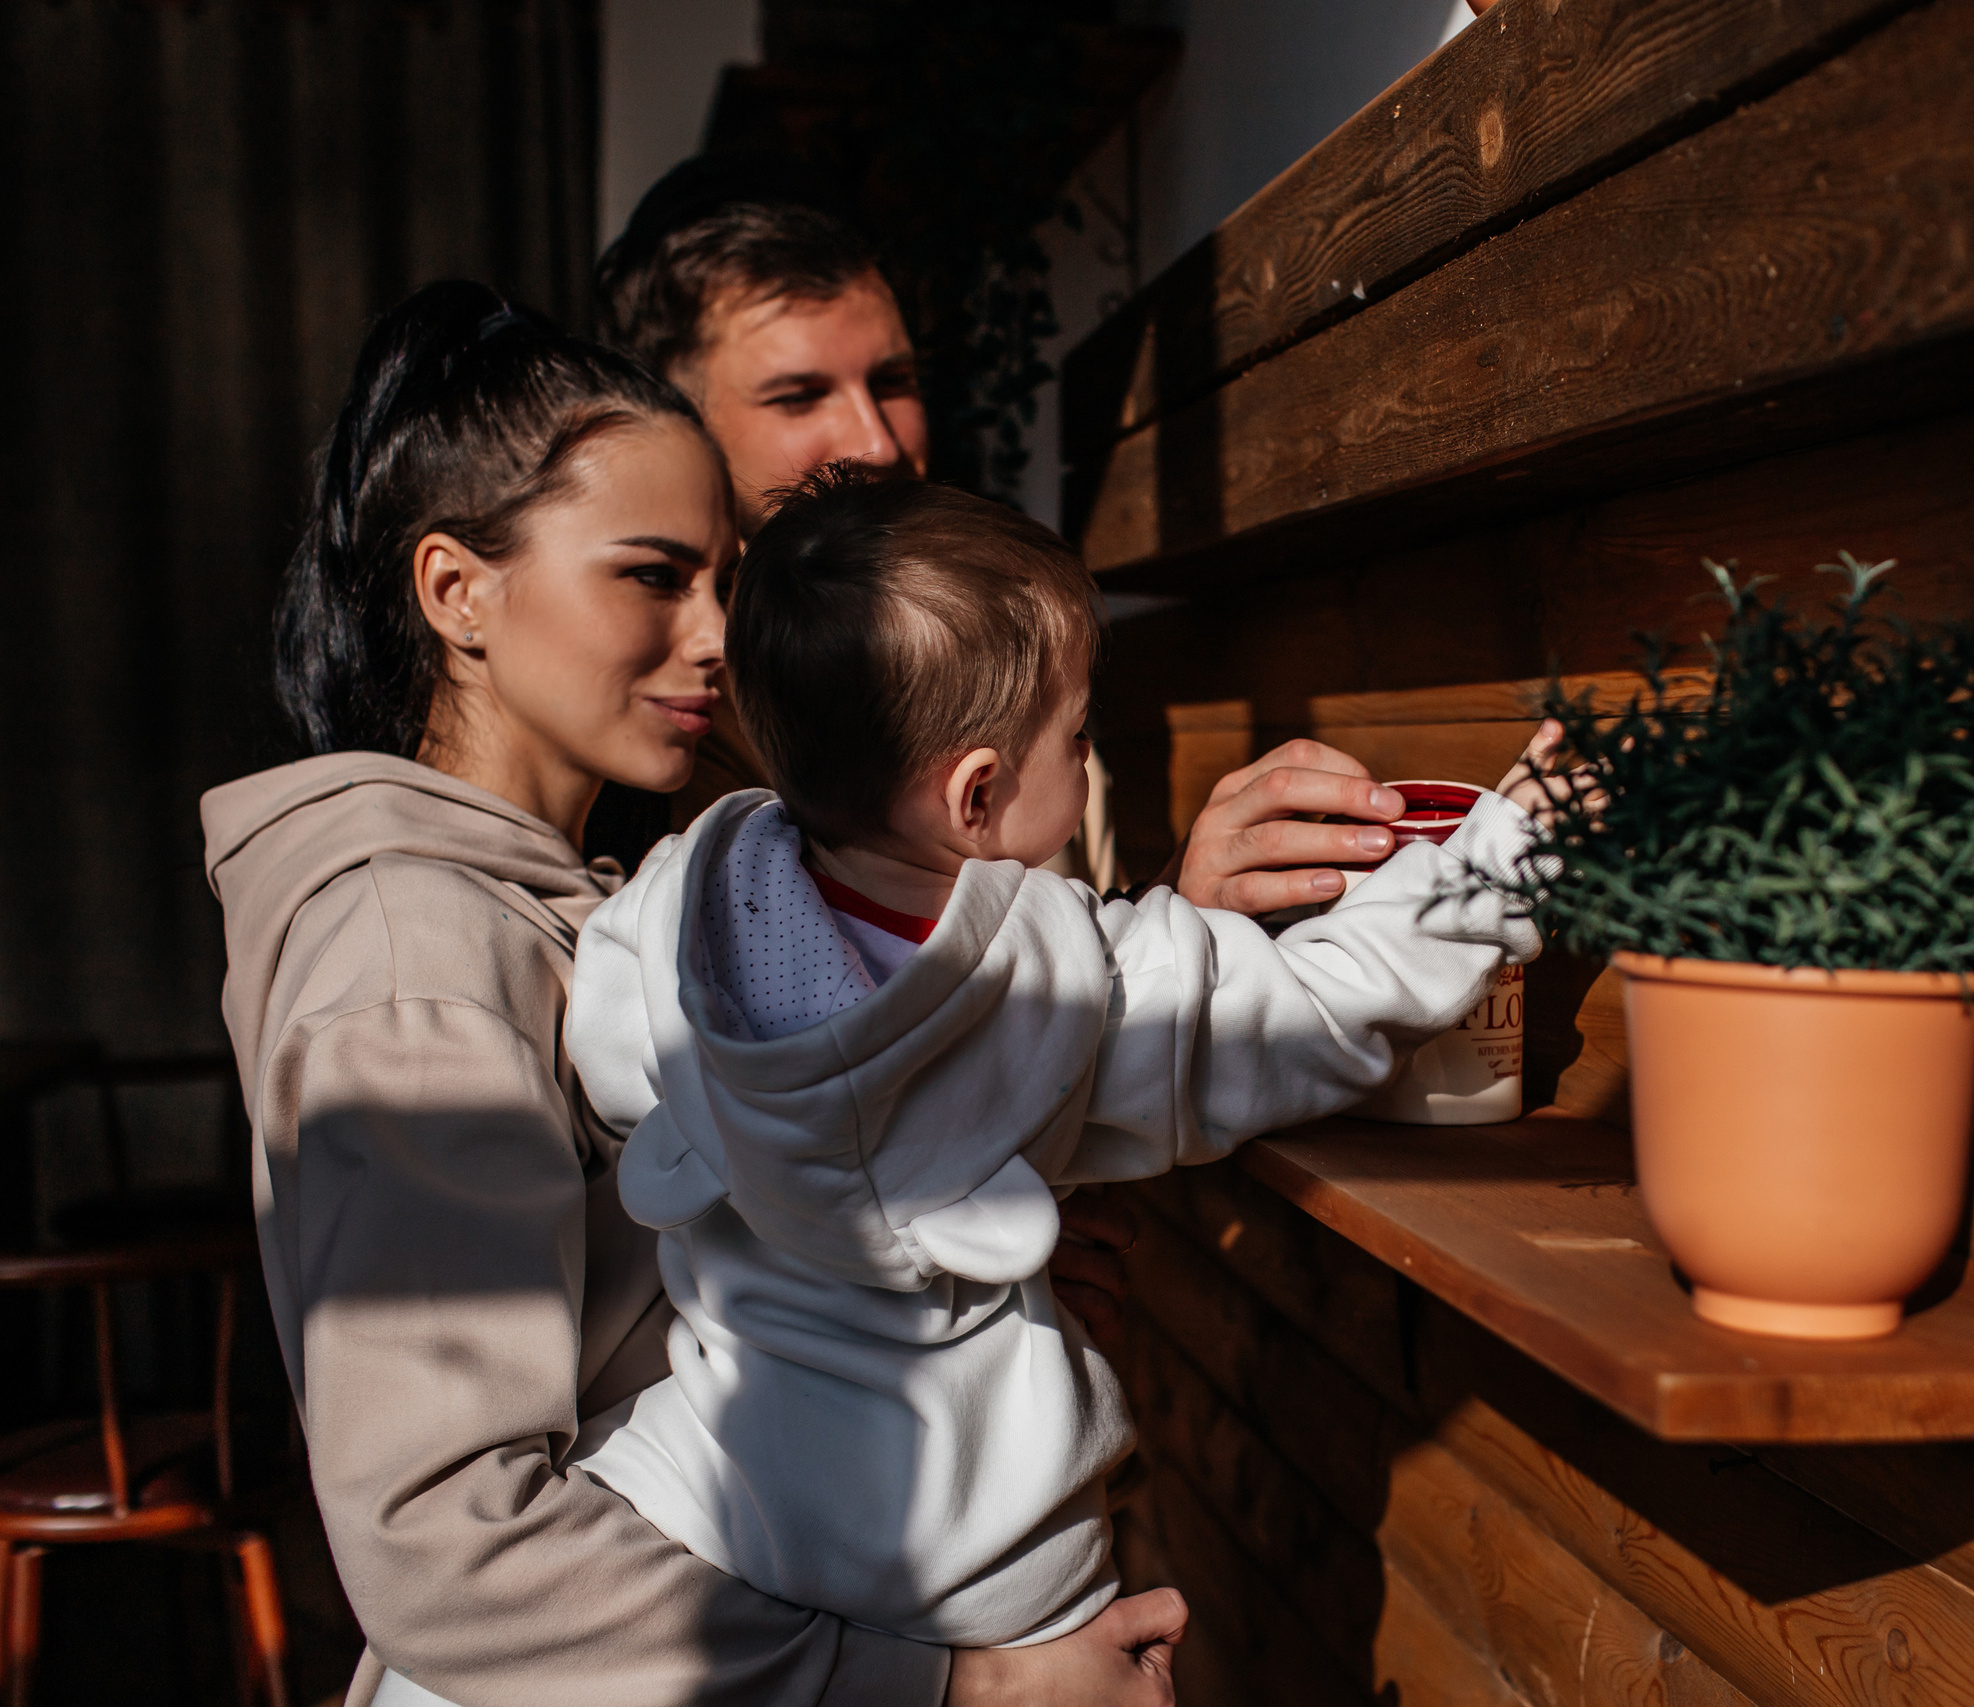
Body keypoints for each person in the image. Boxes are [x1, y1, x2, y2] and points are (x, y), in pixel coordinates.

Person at [203, 281, 1183, 1707]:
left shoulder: (598, 893)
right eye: (654, 576)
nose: (717, 633)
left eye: (724, 579)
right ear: (455, 590)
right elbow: (447, 1541)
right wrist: (967, 1689)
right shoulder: (407, 957)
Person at [561, 466, 1555, 1650]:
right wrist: (1506, 848)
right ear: (976, 795)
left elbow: (613, 1062)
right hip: (988, 1566)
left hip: (736, 1511)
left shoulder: (686, 915)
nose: (1086, 757)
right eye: (1076, 733)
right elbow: (1315, 1006)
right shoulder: (1059, 988)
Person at [593, 152, 1406, 916]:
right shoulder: (661, 720)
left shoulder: (1006, 632)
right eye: (800, 396)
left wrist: (1181, 902)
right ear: (684, 432)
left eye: (895, 382)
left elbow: (1053, 961)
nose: (877, 441)